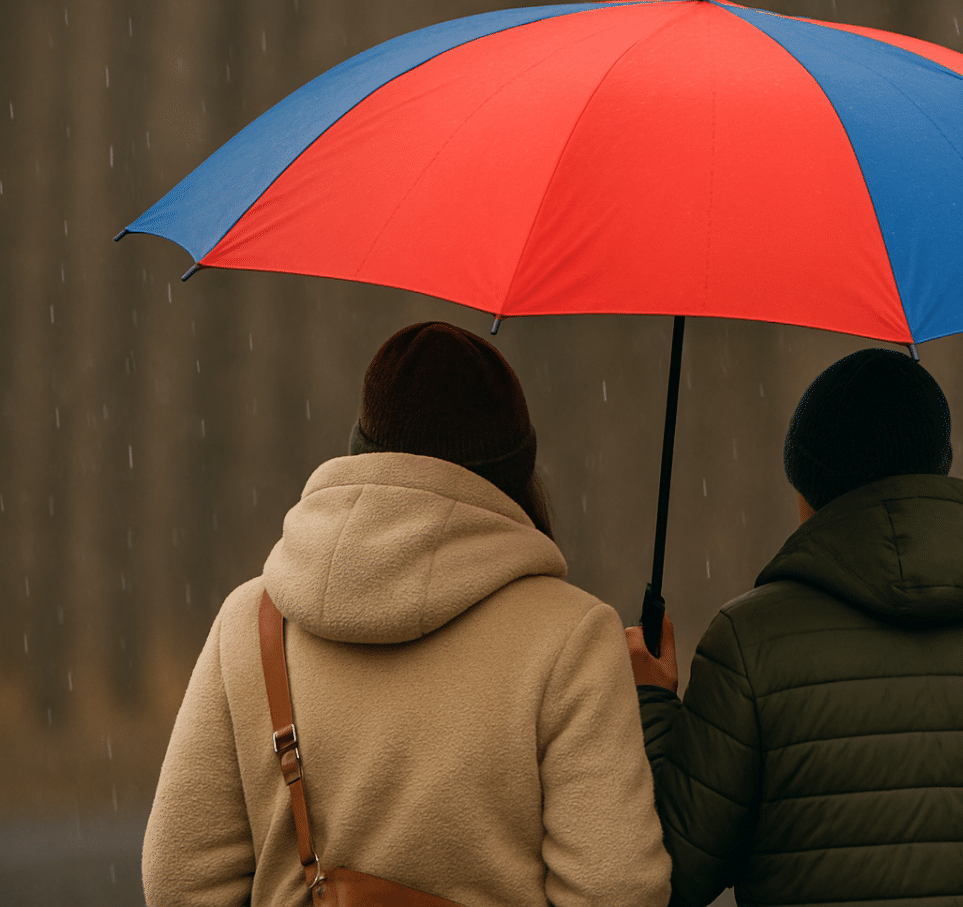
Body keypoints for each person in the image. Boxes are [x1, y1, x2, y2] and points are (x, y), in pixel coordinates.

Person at [144, 321, 670, 907]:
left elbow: (178, 880)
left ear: (359, 447)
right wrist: (650, 706)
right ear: (518, 473)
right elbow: (616, 890)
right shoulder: (573, 637)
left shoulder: (252, 622)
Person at [626, 347, 963, 907]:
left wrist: (653, 704)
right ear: (940, 465)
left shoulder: (746, 645)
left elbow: (669, 877)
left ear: (806, 491)